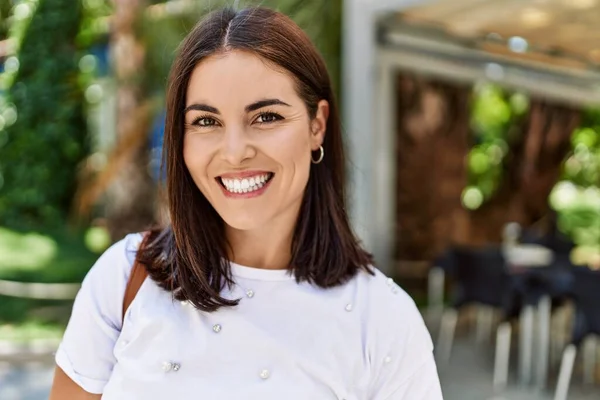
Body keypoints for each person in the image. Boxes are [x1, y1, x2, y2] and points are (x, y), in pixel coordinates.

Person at [49, 6, 443, 399]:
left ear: (316, 126)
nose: (235, 152)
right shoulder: (123, 278)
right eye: (206, 121)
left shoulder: (385, 322)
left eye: (266, 117)